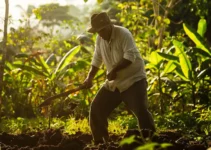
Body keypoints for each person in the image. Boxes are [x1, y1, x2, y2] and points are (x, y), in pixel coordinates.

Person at [83, 12, 156, 144]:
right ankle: (101, 142)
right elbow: (96, 60)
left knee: (141, 110)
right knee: (97, 108)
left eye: (101, 31)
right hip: (114, 83)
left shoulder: (123, 34)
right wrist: (89, 78)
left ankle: (149, 141)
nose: (100, 34)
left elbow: (130, 56)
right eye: (97, 32)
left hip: (133, 80)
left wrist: (114, 70)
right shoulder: (100, 39)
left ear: (109, 26)